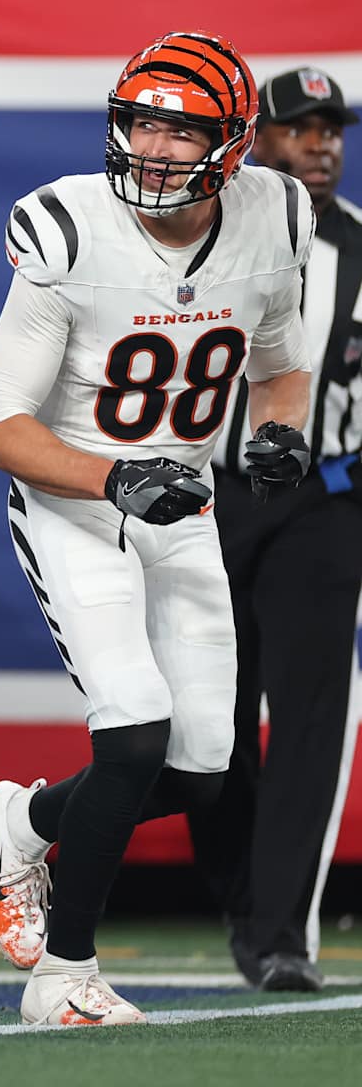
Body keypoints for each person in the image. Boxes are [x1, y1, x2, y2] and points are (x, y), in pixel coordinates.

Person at [0, 31, 314, 1027]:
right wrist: (113, 477)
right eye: (146, 123)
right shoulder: (67, 228)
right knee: (131, 736)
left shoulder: (272, 219)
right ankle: (63, 978)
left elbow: (280, 360)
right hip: (77, 504)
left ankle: (24, 819)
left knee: (203, 772)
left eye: (185, 128)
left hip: (185, 507)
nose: (159, 148)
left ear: (236, 145)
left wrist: (278, 431)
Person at [187, 66, 362, 994]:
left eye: (332, 129)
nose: (323, 143)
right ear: (260, 139)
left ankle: (282, 929)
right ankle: (242, 888)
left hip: (322, 503)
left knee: (309, 721)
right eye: (302, 128)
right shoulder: (200, 235)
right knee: (204, 723)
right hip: (206, 496)